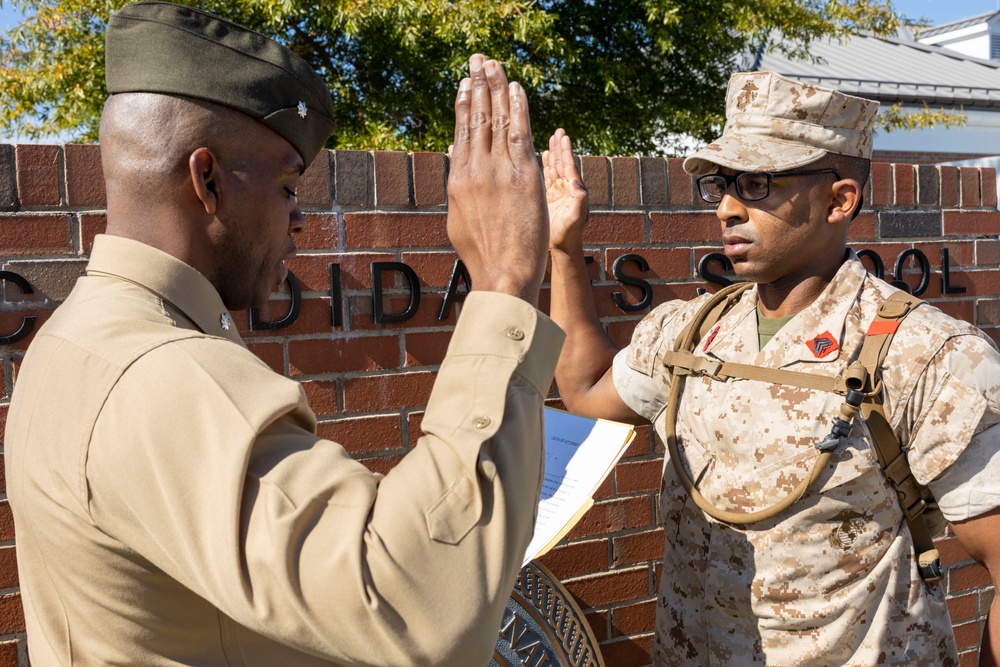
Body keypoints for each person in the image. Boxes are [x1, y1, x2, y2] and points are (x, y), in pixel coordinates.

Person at [5, 2, 563, 665]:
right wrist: (505, 275)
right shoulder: (155, 372)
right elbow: (421, 608)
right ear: (206, 179)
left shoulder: (81, 333)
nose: (299, 220)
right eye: (288, 186)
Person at [543, 70, 1000, 666]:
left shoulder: (928, 355)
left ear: (839, 200)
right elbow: (584, 392)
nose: (728, 209)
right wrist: (562, 250)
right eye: (721, 184)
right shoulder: (690, 332)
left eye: (758, 183)